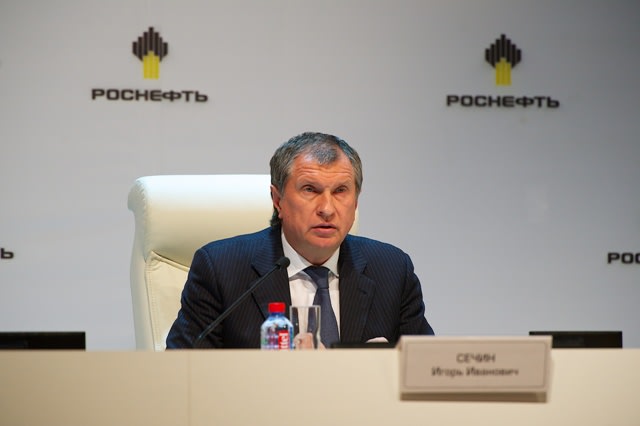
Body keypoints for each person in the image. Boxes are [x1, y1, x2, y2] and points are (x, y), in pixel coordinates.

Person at [166, 132, 434, 349]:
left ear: (355, 202)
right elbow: (182, 374)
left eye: (341, 191)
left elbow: (425, 372)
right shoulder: (221, 269)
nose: (327, 209)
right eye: (310, 190)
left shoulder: (392, 270)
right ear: (278, 200)